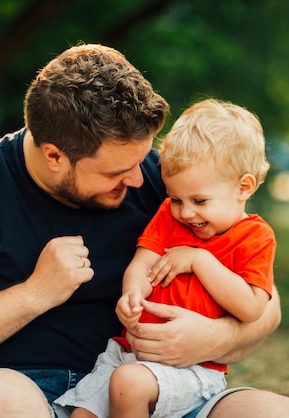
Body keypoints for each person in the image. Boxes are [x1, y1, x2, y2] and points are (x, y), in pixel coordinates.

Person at [0, 43, 289, 418]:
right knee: (1, 402)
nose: (141, 180)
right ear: (55, 156)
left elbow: (267, 307)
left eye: (142, 161)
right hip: (11, 386)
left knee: (280, 413)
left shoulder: (171, 189)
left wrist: (210, 338)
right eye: (118, 172)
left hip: (143, 388)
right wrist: (34, 294)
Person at [54, 99, 276, 418]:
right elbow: (142, 264)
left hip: (192, 366)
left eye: (199, 200)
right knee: (83, 414)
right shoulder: (169, 217)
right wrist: (132, 294)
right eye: (175, 199)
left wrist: (199, 260)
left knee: (129, 385)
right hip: (128, 351)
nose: (186, 212)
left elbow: (252, 308)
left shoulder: (254, 237)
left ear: (243, 187)